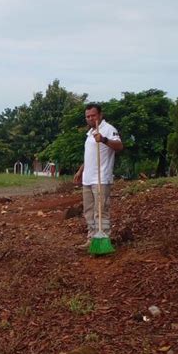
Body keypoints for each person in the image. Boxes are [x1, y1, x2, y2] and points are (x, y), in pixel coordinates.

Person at [73, 104, 123, 247]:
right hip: (88, 179)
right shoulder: (90, 133)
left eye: (93, 115)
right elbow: (90, 156)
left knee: (101, 211)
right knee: (88, 211)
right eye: (87, 116)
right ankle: (91, 238)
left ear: (100, 115)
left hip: (101, 178)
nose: (90, 118)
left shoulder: (108, 129)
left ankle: (103, 239)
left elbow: (119, 146)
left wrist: (104, 140)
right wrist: (80, 170)